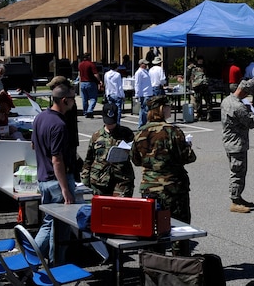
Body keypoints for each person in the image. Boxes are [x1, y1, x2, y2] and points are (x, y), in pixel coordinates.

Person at [132, 95, 197, 255]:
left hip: (150, 189)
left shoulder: (141, 132)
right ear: (161, 109)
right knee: (179, 230)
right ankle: (180, 265)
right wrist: (188, 146)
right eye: (167, 106)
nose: (170, 108)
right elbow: (188, 157)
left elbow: (136, 160)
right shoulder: (173, 131)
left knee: (153, 229)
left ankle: (155, 264)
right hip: (173, 188)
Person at [33, 81, 82, 264]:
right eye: (72, 98)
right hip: (56, 181)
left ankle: (30, 258)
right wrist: (65, 189)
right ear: (63, 100)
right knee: (60, 229)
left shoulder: (40, 118)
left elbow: (33, 145)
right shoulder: (59, 125)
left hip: (43, 179)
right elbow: (57, 159)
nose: (73, 102)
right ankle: (56, 265)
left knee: (48, 223)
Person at [221, 77, 254, 213]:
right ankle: (235, 200)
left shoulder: (227, 100)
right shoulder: (238, 106)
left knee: (238, 170)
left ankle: (238, 198)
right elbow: (251, 123)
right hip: (237, 143)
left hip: (230, 141)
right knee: (238, 172)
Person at [81, 104, 135, 197]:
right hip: (100, 180)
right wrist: (85, 179)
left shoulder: (126, 133)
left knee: (120, 207)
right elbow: (89, 159)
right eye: (108, 123)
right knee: (103, 208)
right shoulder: (96, 136)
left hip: (122, 178)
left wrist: (130, 152)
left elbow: (136, 155)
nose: (110, 125)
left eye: (112, 123)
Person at [187, 56, 212, 121]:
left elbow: (208, 75)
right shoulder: (193, 68)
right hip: (197, 86)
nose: (200, 62)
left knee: (207, 101)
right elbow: (188, 75)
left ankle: (209, 114)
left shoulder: (205, 67)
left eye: (201, 60)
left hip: (204, 85)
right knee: (198, 101)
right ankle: (199, 114)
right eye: (199, 60)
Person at [78, 53, 103, 118]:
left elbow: (79, 74)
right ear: (89, 57)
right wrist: (99, 81)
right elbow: (95, 74)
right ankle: (90, 111)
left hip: (82, 82)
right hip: (90, 82)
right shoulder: (91, 64)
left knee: (84, 99)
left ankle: (85, 112)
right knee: (93, 98)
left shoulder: (80, 64)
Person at [134, 58, 153, 127]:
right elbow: (137, 84)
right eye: (145, 64)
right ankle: (141, 125)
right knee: (144, 110)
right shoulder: (139, 72)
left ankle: (144, 124)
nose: (146, 65)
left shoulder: (145, 71)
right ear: (141, 64)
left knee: (146, 110)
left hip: (148, 93)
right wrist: (137, 94)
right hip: (144, 94)